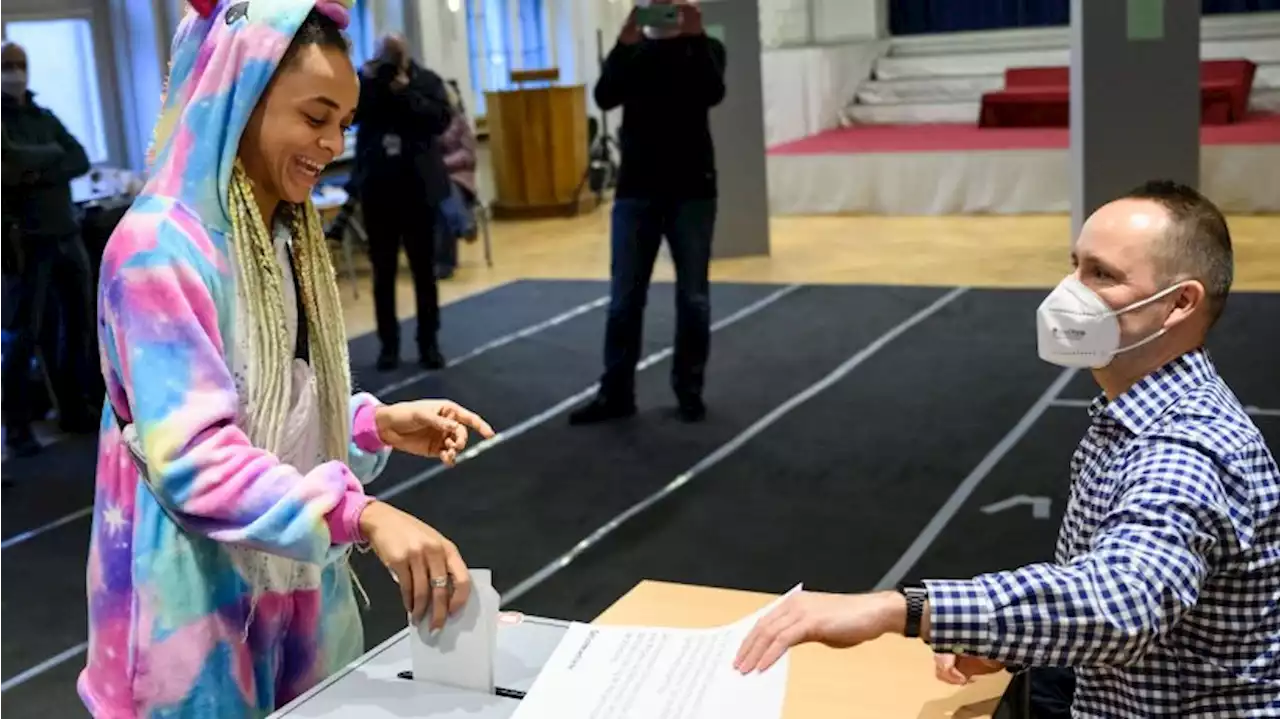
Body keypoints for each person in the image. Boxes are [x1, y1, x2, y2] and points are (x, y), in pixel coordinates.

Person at [78, 3, 493, 716]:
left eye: (345, 122)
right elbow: (197, 457)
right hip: (193, 612)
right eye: (314, 116)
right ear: (245, 95)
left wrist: (371, 423)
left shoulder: (278, 228)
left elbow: (275, 394)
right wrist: (361, 515)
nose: (333, 142)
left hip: (292, 594)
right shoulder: (158, 247)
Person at [735, 181, 1280, 717]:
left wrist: (898, 608)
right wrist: (1012, 643)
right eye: (1075, 265)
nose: (1070, 291)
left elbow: (1122, 604)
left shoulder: (1184, 447)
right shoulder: (1142, 410)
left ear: (1180, 303)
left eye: (1102, 275)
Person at [568, 0, 726, 426]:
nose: (665, 17)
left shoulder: (706, 48)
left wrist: (694, 35)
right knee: (624, 300)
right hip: (637, 190)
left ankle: (689, 390)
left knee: (694, 299)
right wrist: (623, 43)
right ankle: (616, 393)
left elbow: (713, 91)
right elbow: (605, 95)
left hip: (692, 190)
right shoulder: (635, 53)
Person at [0, 40, 98, 456]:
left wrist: (30, 167)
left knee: (77, 327)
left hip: (65, 232)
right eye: (7, 65)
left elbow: (78, 157)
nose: (15, 72)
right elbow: (4, 166)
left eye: (20, 64)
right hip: (27, 241)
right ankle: (20, 429)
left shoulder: (42, 114)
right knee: (24, 337)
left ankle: (76, 410)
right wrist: (47, 162)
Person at [350, 33, 452, 371]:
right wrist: (369, 81)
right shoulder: (367, 81)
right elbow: (351, 116)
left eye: (394, 55)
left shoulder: (426, 81)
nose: (390, 61)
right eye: (385, 55)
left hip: (418, 191)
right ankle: (388, 346)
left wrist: (405, 92)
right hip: (378, 192)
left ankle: (429, 343)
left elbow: (440, 121)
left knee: (424, 272)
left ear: (406, 54)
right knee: (383, 274)